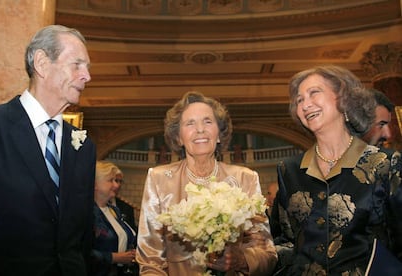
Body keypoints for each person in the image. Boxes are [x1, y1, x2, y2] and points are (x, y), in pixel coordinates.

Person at [270, 65, 402, 275]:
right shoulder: (290, 170)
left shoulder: (384, 163)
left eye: (314, 93)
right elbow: (288, 243)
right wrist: (250, 258)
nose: (305, 104)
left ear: (342, 98)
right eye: (299, 100)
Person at [0, 25, 96, 275]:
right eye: (77, 64)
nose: (87, 76)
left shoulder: (83, 147)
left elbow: (83, 236)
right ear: (42, 63)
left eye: (88, 67)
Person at [136, 91, 277, 275]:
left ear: (219, 134)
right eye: (190, 123)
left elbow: (267, 253)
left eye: (207, 121)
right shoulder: (159, 179)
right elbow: (150, 260)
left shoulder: (245, 178)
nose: (200, 129)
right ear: (179, 137)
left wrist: (241, 260)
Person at [91, 161, 138, 276]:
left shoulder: (114, 210)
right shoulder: (86, 213)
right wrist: (113, 257)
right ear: (95, 184)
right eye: (110, 180)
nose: (116, 185)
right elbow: (79, 252)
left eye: (116, 181)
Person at [111, 168, 138, 233]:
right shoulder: (94, 207)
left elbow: (133, 232)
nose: (118, 185)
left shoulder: (127, 208)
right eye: (116, 181)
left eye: (120, 181)